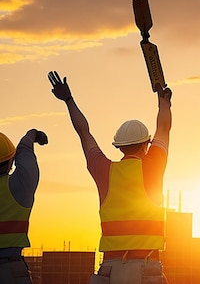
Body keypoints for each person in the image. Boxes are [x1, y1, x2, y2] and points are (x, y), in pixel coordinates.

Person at [48, 71, 172, 284]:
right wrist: (163, 103)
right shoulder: (153, 166)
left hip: (111, 269)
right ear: (146, 144)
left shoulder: (103, 170)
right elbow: (164, 127)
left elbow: (84, 133)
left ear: (119, 147)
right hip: (146, 267)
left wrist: (68, 100)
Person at [0, 129, 47, 284]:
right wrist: (31, 135)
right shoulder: (19, 185)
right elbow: (25, 153)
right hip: (10, 269)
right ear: (10, 161)